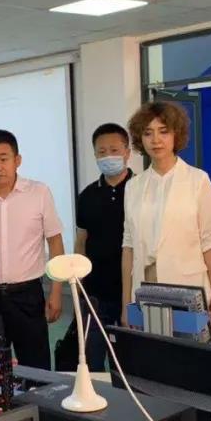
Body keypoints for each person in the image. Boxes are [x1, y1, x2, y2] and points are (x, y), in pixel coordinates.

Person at [121, 100, 211, 333]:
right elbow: (128, 247)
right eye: (148, 133)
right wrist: (126, 302)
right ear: (140, 138)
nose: (156, 140)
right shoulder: (134, 186)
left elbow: (209, 242)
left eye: (163, 131)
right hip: (145, 289)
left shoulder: (198, 180)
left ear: (176, 135)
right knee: (150, 352)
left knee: (186, 350)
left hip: (187, 287)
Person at [0, 130, 64, 370]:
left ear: (17, 160)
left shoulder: (39, 193)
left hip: (27, 295)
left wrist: (56, 292)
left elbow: (55, 242)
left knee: (36, 366)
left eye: (3, 158)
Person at [73, 123, 134, 369]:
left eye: (114, 150)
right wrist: (79, 284)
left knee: (129, 362)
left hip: (133, 292)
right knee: (92, 360)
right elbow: (81, 241)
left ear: (127, 152)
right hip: (95, 294)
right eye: (101, 152)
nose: (108, 156)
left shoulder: (140, 190)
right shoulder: (87, 195)